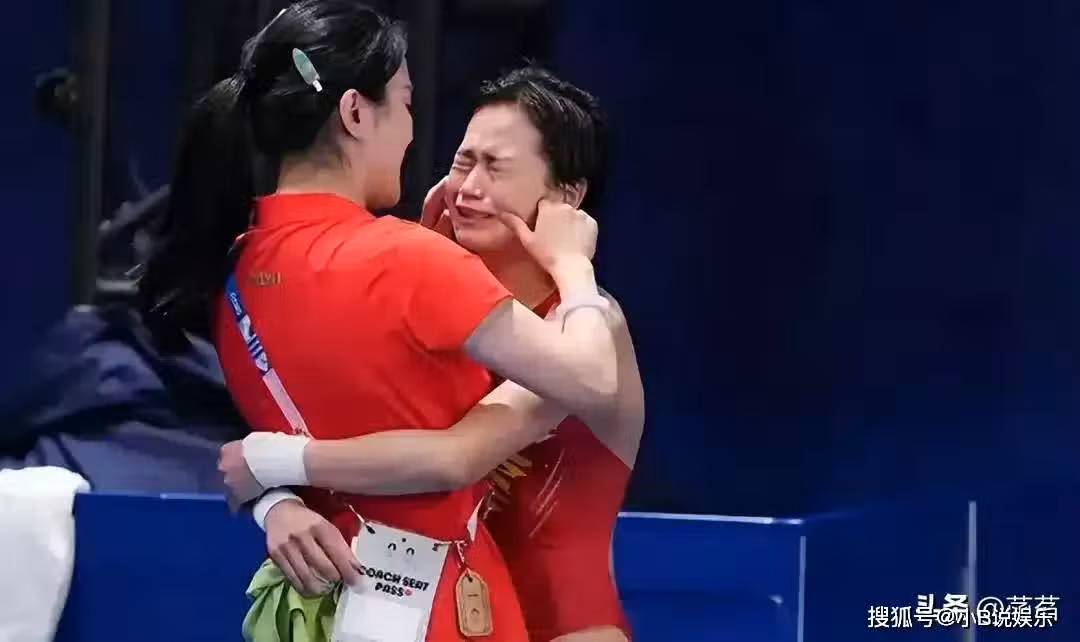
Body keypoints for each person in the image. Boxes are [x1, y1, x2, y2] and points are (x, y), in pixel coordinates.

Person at [137, 2, 621, 640]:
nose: (414, 136)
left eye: (494, 165)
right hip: (443, 611)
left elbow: (311, 405)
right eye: (407, 105)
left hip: (317, 612)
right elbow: (591, 381)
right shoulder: (415, 263)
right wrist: (572, 263)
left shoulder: (231, 269)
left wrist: (272, 488)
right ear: (355, 113)